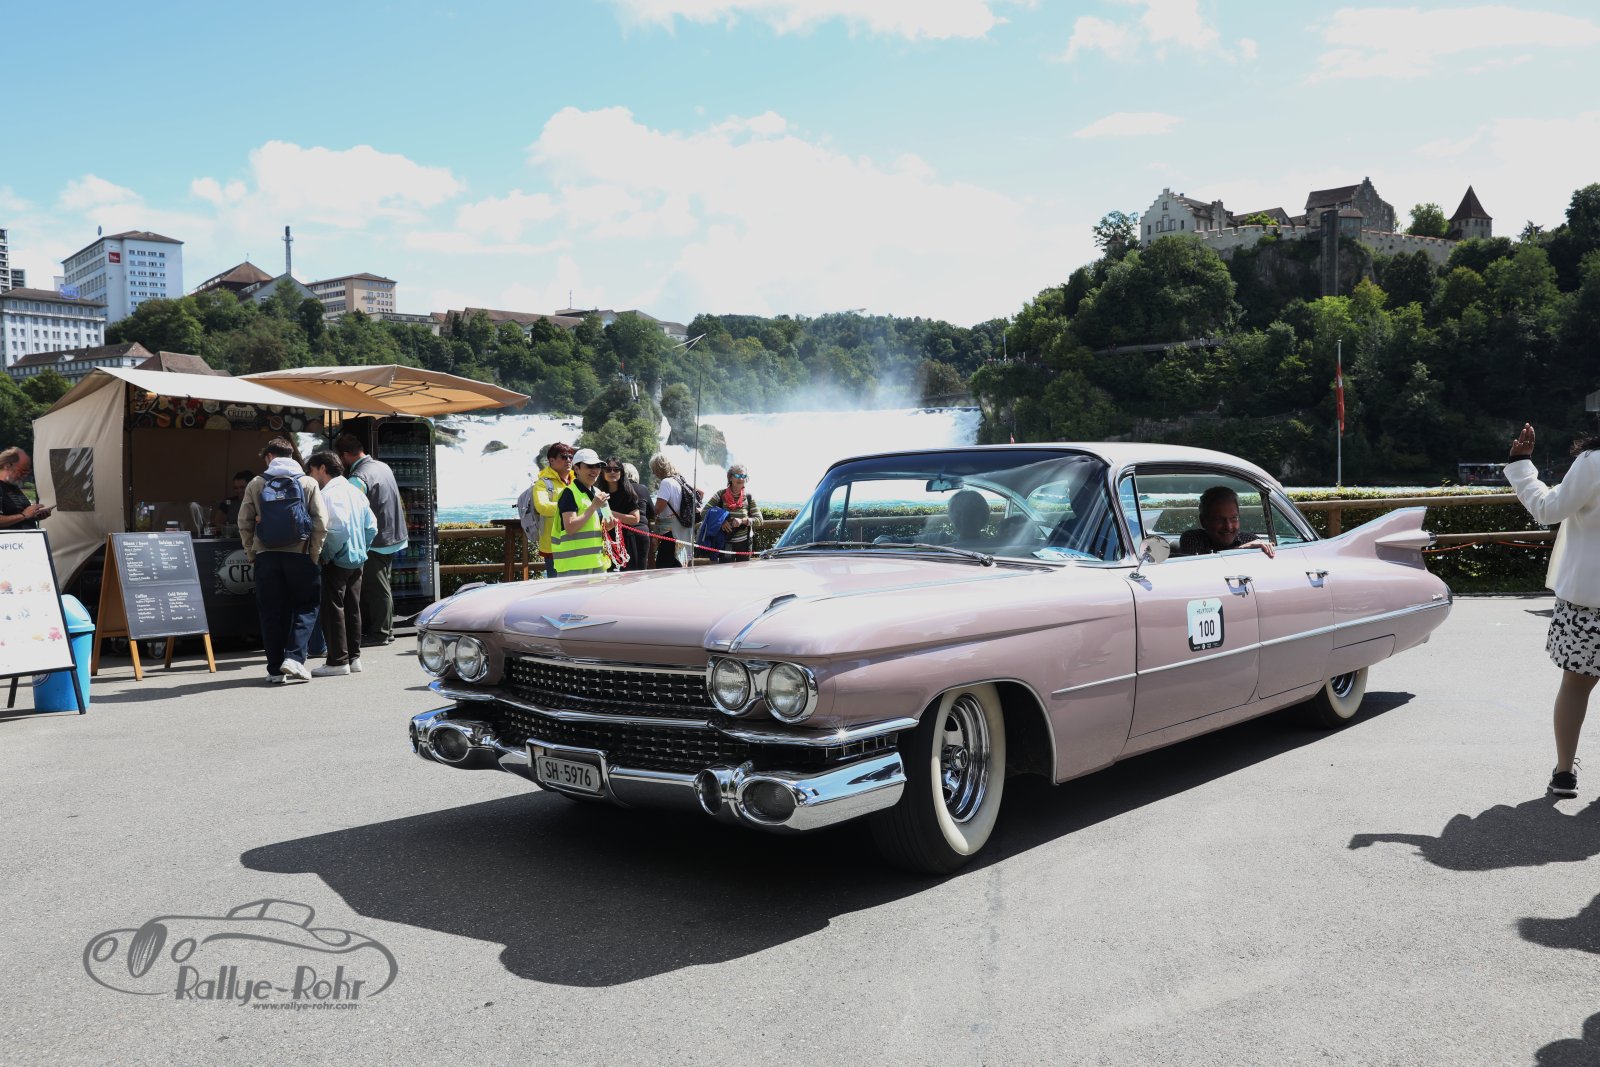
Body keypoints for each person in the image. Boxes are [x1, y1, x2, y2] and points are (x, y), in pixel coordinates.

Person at [1505, 423, 1600, 799]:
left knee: (1575, 686)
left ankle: (1564, 774)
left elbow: (1548, 509)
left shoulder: (1593, 462)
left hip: (1587, 601)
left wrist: (1521, 466)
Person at [239, 439, 328, 684]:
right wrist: (313, 554)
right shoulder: (308, 482)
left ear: (270, 456)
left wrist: (252, 553)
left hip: (266, 557)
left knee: (271, 612)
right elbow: (321, 522)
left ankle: (275, 670)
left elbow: (244, 522)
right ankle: (295, 658)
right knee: (307, 606)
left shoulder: (256, 483)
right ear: (292, 455)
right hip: (300, 554)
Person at [304, 451, 378, 678]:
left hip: (337, 559)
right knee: (352, 608)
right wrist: (362, 548)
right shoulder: (354, 492)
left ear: (322, 469)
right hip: (357, 558)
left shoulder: (328, 494)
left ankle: (337, 661)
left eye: (311, 470)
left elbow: (338, 528)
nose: (311, 476)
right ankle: (353, 658)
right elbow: (372, 527)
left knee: (333, 610)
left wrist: (326, 553)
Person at [335, 434, 408, 646]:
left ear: (345, 455)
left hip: (376, 539)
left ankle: (381, 633)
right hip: (394, 534)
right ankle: (387, 629)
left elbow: (351, 512)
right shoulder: (382, 466)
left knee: (376, 589)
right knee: (383, 585)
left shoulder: (357, 478)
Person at [551, 448, 613, 576]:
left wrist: (609, 525)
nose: (595, 470)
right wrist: (593, 507)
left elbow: (602, 526)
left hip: (598, 563)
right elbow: (570, 527)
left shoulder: (598, 493)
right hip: (573, 567)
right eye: (589, 466)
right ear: (576, 468)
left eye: (598, 466)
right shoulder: (569, 493)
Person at [1177, 486, 1277, 557]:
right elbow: (1199, 568)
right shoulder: (1192, 539)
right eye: (1219, 519)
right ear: (1203, 521)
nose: (1228, 526)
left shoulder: (1250, 539)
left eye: (1234, 518)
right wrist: (1243, 549)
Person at [531, 443, 575, 578]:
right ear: (551, 460)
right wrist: (571, 507)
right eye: (563, 457)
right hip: (554, 546)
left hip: (577, 543)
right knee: (558, 586)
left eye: (571, 457)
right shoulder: (543, 483)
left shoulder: (577, 481)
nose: (568, 460)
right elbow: (542, 506)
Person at [600, 457, 649, 571]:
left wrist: (609, 512)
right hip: (605, 541)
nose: (612, 472)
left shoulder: (627, 492)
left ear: (621, 472)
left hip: (625, 540)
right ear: (602, 472)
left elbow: (635, 519)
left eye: (616, 469)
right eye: (608, 469)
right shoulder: (598, 492)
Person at [650, 454, 696, 568]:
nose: (654, 473)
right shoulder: (680, 480)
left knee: (663, 567)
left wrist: (647, 512)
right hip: (684, 531)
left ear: (659, 468)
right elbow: (700, 493)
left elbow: (658, 509)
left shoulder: (666, 482)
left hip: (670, 532)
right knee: (680, 565)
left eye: (654, 469)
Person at [711, 464, 762, 562]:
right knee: (724, 570)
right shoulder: (720, 494)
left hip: (744, 544)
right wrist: (721, 521)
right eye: (737, 475)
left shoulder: (748, 497)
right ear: (730, 478)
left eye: (743, 476)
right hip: (725, 543)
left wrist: (743, 521)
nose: (741, 479)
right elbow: (705, 512)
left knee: (743, 571)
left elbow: (759, 520)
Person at [0, 448, 50, 530]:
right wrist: (24, 515)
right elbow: (24, 515)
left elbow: (21, 516)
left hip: (26, 537)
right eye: (22, 471)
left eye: (27, 472)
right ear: (7, 466)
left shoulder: (13, 486)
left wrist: (35, 515)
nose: (25, 475)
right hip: (11, 538)